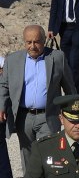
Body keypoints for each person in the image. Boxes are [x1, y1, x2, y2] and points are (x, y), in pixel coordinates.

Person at [1, 25, 73, 170]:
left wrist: (71, 112)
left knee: (48, 155)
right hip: (23, 117)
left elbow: (69, 88)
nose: (32, 46)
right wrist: (1, 105)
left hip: (48, 116)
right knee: (28, 157)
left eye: (36, 42)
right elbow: (4, 85)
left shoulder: (57, 58)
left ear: (44, 40)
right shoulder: (13, 60)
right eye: (29, 42)